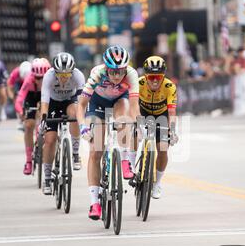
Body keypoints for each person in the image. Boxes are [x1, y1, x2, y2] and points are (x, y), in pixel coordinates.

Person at [76, 45, 140, 220]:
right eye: (112, 72)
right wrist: (83, 126)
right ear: (106, 68)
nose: (117, 76)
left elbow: (134, 106)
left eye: (120, 72)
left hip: (120, 101)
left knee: (124, 118)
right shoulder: (97, 73)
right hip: (97, 104)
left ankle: (125, 160)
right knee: (96, 151)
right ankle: (94, 202)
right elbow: (81, 105)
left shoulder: (132, 74)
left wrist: (137, 123)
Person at [39, 53, 85, 195]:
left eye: (67, 75)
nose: (64, 78)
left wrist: (82, 119)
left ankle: (75, 153)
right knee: (50, 140)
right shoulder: (48, 76)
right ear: (55, 72)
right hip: (52, 103)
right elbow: (45, 102)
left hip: (69, 100)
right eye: (61, 75)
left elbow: (81, 101)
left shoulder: (78, 76)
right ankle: (47, 178)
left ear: (72, 72)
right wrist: (43, 120)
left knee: (75, 114)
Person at [135, 56, 179, 199]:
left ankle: (157, 182)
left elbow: (172, 112)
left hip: (162, 116)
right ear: (146, 76)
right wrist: (137, 123)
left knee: (163, 148)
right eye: (152, 77)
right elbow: (133, 105)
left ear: (163, 76)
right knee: (132, 134)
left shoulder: (169, 87)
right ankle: (129, 164)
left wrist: (172, 130)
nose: (155, 80)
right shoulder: (138, 83)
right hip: (142, 113)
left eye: (158, 77)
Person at [15, 58, 51, 176]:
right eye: (37, 78)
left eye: (43, 78)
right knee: (29, 124)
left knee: (45, 115)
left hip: (46, 96)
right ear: (33, 76)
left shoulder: (51, 79)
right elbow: (19, 99)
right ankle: (29, 161)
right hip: (32, 95)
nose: (40, 81)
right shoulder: (29, 80)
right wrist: (20, 112)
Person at [8, 61, 32, 131]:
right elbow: (9, 85)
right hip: (18, 85)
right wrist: (11, 96)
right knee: (17, 97)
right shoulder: (15, 73)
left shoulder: (33, 73)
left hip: (29, 83)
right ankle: (20, 118)